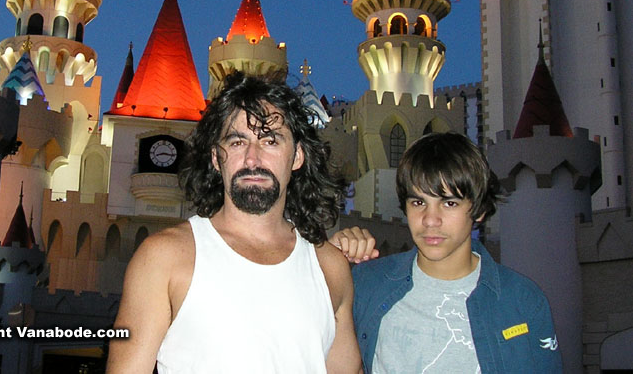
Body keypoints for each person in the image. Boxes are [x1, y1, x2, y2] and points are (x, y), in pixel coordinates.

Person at [108, 71, 362, 373]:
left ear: (297, 157)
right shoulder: (164, 258)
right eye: (238, 142)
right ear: (217, 158)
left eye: (270, 141)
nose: (252, 159)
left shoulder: (330, 268)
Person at [331, 132, 562, 373]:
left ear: (480, 210)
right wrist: (329, 263)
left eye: (449, 203)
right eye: (418, 203)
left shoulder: (522, 300)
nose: (430, 220)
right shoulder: (367, 283)